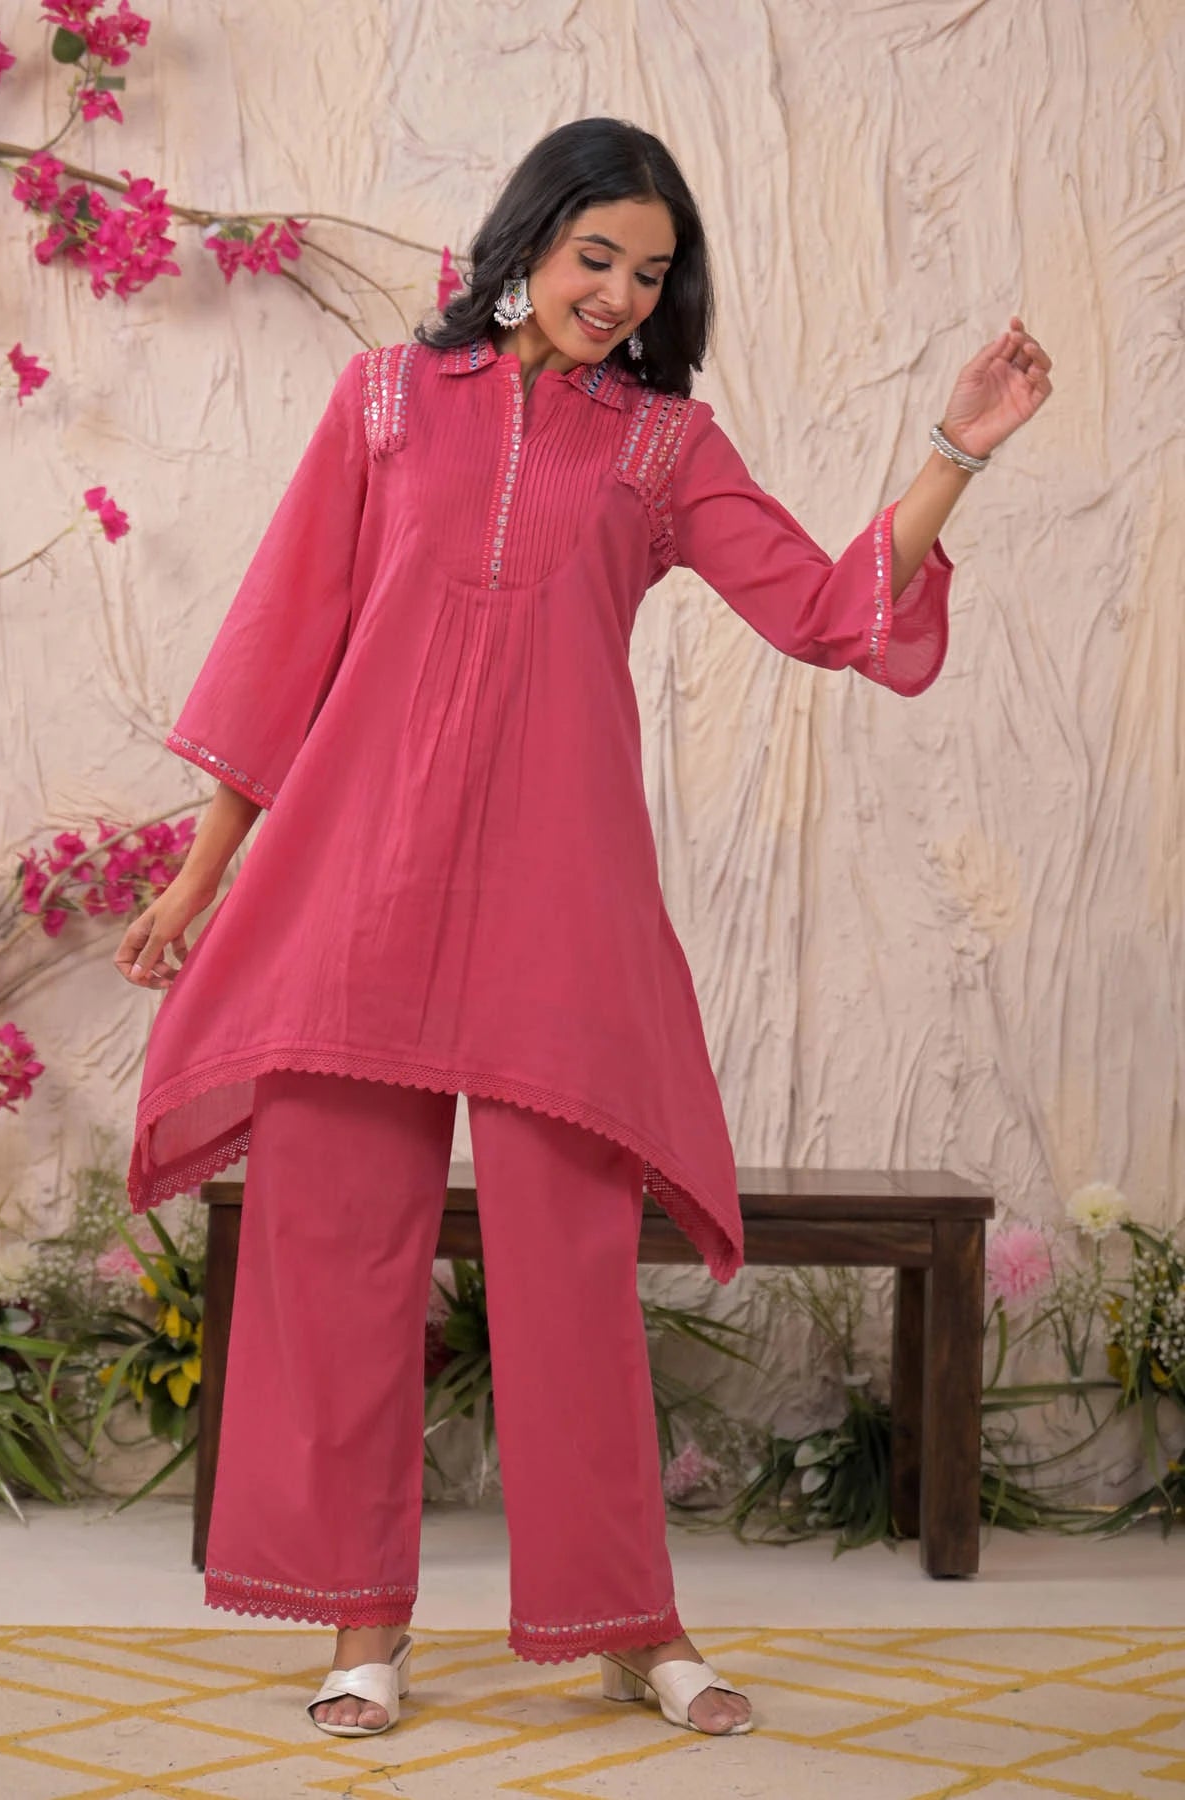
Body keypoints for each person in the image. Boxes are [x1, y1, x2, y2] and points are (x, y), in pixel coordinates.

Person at [115, 116, 1052, 1740]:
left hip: (556, 898)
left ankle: (634, 1623)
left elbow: (830, 610)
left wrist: (955, 451)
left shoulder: (662, 451)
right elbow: (284, 646)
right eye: (596, 256)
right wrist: (202, 882)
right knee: (338, 1255)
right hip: (357, 888)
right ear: (527, 243)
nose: (619, 293)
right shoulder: (387, 404)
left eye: (652, 272)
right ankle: (363, 1628)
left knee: (567, 1268)